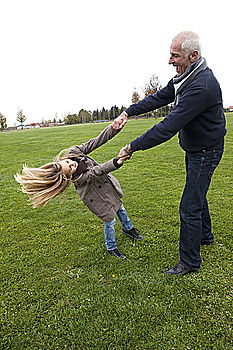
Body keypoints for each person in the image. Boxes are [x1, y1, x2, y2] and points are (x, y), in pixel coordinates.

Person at [113, 31, 226, 275]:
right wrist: (128, 112)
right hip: (196, 147)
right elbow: (161, 97)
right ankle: (205, 236)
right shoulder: (184, 78)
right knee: (197, 194)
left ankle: (189, 262)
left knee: (189, 206)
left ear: (193, 55)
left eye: (175, 55)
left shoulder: (200, 86)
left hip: (207, 150)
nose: (170, 60)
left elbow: (168, 126)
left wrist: (133, 146)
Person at [15, 123, 143, 260]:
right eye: (70, 169)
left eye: (68, 163)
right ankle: (111, 247)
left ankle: (128, 229)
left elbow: (95, 142)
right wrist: (117, 161)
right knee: (110, 221)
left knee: (120, 208)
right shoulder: (79, 178)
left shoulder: (72, 153)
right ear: (69, 176)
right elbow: (98, 171)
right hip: (96, 198)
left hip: (105, 187)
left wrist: (113, 128)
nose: (72, 164)